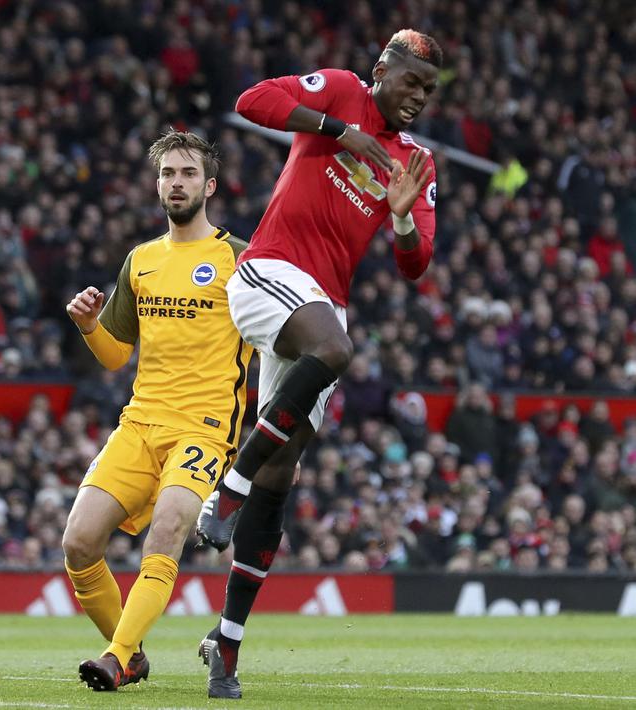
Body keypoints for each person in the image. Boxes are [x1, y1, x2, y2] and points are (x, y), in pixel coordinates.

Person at [195, 29, 442, 699]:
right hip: (268, 272)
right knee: (336, 352)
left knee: (283, 471)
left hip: (322, 301)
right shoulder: (338, 91)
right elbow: (252, 101)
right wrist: (342, 131)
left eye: (428, 90)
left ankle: (226, 645)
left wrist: (397, 220)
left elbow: (415, 263)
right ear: (379, 71)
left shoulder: (414, 162)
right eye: (409, 82)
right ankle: (226, 490)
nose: (418, 97)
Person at [62, 130, 251, 692]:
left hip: (205, 427)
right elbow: (117, 355)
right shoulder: (140, 260)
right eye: (168, 173)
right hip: (141, 422)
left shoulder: (239, 258)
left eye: (188, 174)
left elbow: (273, 346)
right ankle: (133, 652)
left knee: (166, 532)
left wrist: (278, 436)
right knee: (78, 544)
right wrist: (90, 326)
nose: (176, 183)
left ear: (209, 186)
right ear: (157, 183)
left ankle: (116, 657)